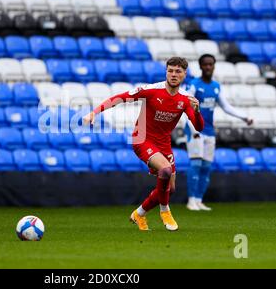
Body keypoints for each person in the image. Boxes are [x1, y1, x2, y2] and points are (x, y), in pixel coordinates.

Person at [83, 57, 204, 231]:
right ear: (166, 72)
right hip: (142, 139)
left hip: (163, 144)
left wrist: (197, 111)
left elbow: (199, 127)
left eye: (178, 71)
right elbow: (120, 98)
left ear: (185, 74)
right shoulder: (151, 90)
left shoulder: (186, 99)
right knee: (165, 170)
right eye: (170, 70)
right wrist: (94, 112)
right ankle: (165, 211)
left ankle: (139, 214)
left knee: (170, 188)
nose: (173, 74)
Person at [185, 54, 253, 211]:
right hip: (195, 129)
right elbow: (187, 108)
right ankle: (191, 200)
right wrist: (194, 129)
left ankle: (199, 199)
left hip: (209, 130)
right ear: (201, 66)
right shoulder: (194, 85)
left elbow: (226, 106)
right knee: (196, 163)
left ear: (214, 66)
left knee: (206, 166)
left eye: (211, 64)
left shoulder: (216, 86)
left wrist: (244, 117)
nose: (208, 67)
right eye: (205, 64)